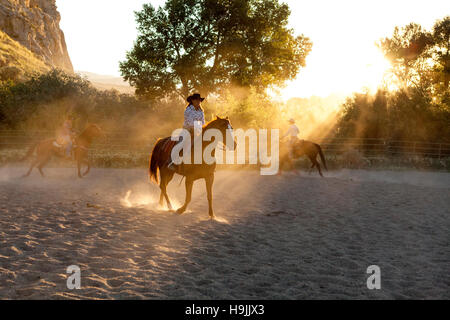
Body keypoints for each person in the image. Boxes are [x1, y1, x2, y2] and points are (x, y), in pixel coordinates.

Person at [168, 93, 206, 170]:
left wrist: (202, 129)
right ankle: (173, 162)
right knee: (181, 143)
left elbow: (203, 122)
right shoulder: (188, 110)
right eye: (197, 100)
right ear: (192, 101)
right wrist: (199, 128)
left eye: (199, 100)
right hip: (187, 130)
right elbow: (190, 122)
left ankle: (206, 165)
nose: (198, 102)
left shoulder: (201, 111)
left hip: (198, 130)